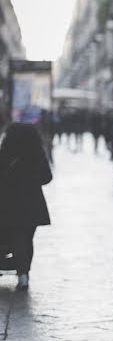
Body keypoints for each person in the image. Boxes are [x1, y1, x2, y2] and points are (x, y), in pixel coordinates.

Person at [0, 123, 53, 291]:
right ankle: (23, 274)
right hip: (32, 205)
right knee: (26, 240)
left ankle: (10, 267)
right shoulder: (37, 153)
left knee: (11, 237)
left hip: (7, 204)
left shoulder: (5, 153)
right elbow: (47, 177)